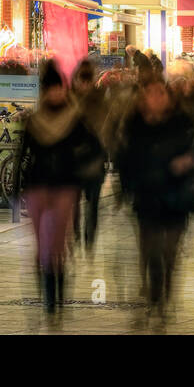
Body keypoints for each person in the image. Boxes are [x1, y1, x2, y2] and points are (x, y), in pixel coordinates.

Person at [15, 61, 105, 317]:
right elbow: (23, 155)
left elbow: (96, 148)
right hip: (37, 185)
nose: (56, 94)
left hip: (65, 185)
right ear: (45, 92)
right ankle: (45, 291)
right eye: (51, 89)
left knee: (56, 243)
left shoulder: (75, 119)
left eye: (59, 89)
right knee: (40, 244)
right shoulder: (33, 120)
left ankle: (56, 292)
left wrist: (85, 169)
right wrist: (15, 187)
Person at [114, 74, 194, 327]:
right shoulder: (134, 125)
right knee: (151, 253)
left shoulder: (182, 122)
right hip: (146, 197)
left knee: (169, 253)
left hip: (176, 198)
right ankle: (153, 299)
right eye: (150, 93)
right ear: (142, 99)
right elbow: (124, 161)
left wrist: (189, 163)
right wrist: (127, 188)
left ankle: (164, 301)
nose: (156, 98)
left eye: (161, 93)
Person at [71, 59, 110, 252]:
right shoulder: (70, 99)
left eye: (87, 80)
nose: (85, 84)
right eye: (82, 80)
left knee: (92, 201)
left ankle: (89, 236)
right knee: (74, 200)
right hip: (75, 158)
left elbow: (105, 130)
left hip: (95, 157)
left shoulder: (100, 100)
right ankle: (78, 233)